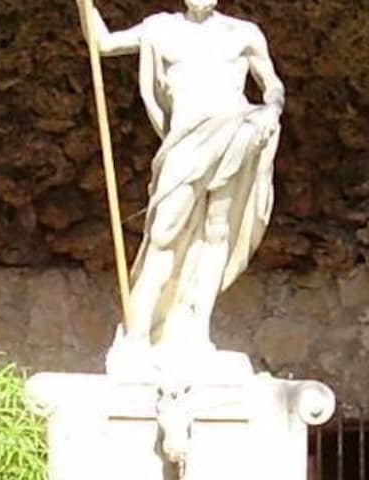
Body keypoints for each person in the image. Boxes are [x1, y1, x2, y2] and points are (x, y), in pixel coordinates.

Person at [81, 0, 285, 363]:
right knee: (164, 232)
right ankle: (139, 332)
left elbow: (271, 85)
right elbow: (104, 45)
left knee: (217, 232)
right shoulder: (161, 28)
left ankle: (196, 331)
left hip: (235, 132)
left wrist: (271, 110)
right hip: (185, 142)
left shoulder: (243, 33)